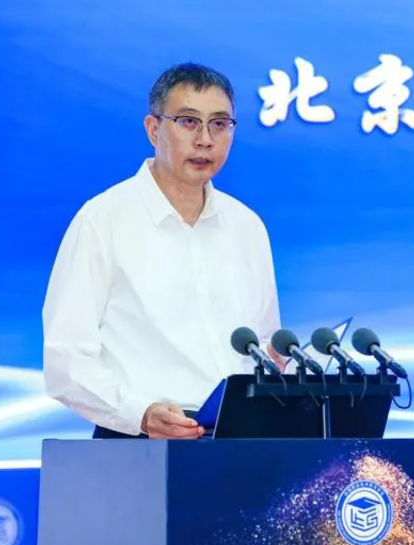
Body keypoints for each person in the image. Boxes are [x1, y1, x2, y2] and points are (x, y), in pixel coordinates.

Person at [42, 63, 283, 440]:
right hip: (139, 442)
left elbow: (265, 342)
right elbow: (66, 362)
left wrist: (280, 364)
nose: (205, 139)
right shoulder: (103, 220)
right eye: (188, 122)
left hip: (237, 439)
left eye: (220, 124)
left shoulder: (246, 226)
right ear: (153, 129)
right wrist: (140, 414)